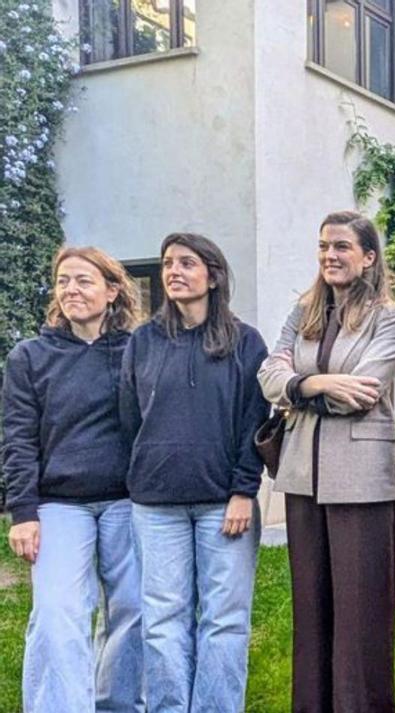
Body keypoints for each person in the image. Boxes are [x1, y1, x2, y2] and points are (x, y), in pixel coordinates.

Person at [258, 210, 395, 711]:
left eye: (342, 246)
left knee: (361, 616)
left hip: (362, 483)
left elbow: (364, 391)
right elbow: (269, 374)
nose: (330, 256)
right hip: (302, 477)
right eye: (324, 246)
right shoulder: (302, 314)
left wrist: (295, 390)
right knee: (312, 612)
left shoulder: (391, 317)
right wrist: (315, 384)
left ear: (368, 257)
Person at [120, 233, 269, 713]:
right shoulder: (143, 341)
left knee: (224, 621)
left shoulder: (245, 342)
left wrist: (244, 490)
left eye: (187, 263)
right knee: (162, 619)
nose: (173, 271)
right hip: (155, 505)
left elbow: (256, 421)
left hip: (223, 505)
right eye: (167, 263)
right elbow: (129, 419)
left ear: (213, 275)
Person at [3, 246, 144, 712]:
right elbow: (18, 437)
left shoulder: (137, 351)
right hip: (59, 504)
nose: (71, 290)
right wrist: (23, 512)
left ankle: (119, 704)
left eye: (83, 280)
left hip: (128, 502)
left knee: (133, 612)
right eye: (63, 281)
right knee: (57, 614)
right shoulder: (30, 357)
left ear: (112, 290)